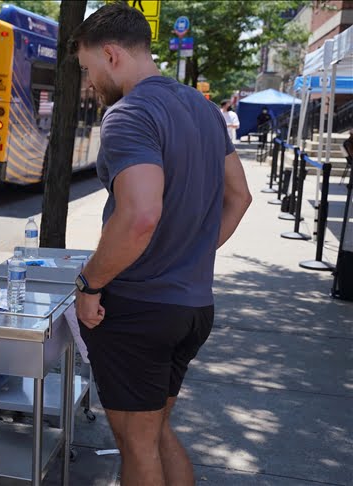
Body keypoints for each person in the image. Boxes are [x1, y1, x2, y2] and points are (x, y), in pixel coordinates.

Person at [69, 4, 252, 486]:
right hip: (191, 306)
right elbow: (241, 196)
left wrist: (89, 284)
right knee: (156, 433)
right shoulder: (204, 109)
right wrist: (191, 252)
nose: (89, 84)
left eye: (88, 70)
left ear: (110, 55)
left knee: (137, 445)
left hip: (138, 310)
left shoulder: (128, 114)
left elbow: (140, 215)